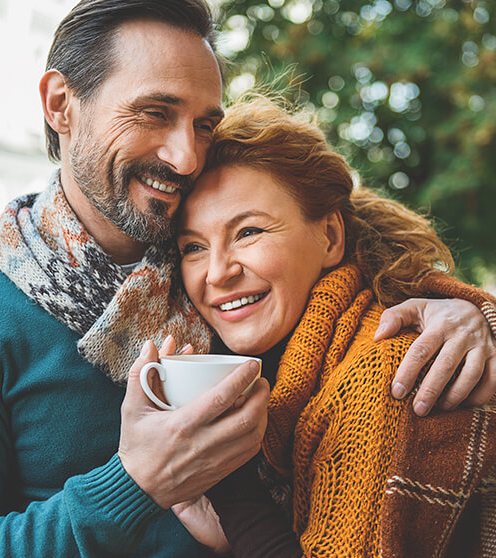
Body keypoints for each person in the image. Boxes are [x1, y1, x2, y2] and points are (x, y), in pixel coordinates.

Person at [0, 0, 493, 555]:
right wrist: (132, 486)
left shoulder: (235, 302)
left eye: (204, 124)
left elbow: (353, 256)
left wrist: (466, 312)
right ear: (61, 104)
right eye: (154, 113)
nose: (186, 156)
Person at [172, 96, 496, 556]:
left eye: (248, 232)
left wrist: (230, 491)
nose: (217, 272)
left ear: (330, 237)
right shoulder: (294, 367)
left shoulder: (382, 374)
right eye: (193, 248)